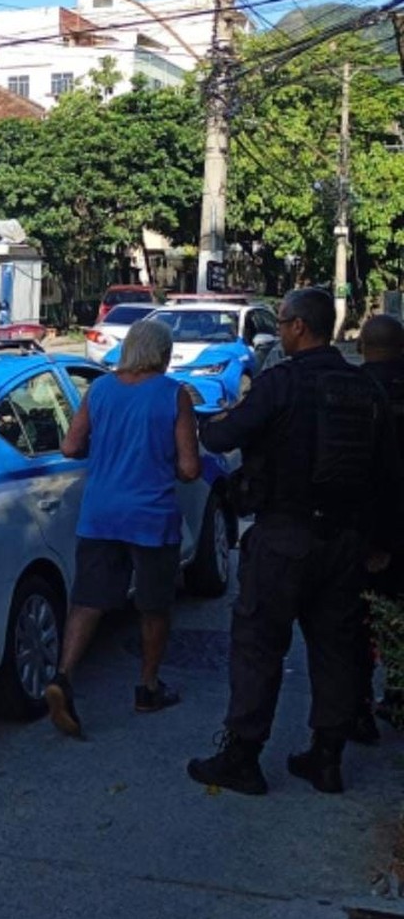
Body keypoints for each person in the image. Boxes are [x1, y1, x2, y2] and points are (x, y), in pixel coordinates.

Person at [187, 288, 397, 796]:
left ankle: (243, 755)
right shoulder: (366, 389)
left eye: (281, 322)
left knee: (258, 644)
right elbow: (389, 475)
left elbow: (219, 439)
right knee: (335, 648)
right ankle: (327, 757)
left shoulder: (281, 384)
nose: (278, 330)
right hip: (346, 541)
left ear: (300, 327)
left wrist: (222, 418)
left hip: (285, 535)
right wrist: (381, 539)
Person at [45, 318, 201, 739]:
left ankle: (63, 677)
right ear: (162, 354)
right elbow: (189, 467)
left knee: (88, 600)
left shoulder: (99, 390)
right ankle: (148, 688)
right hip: (150, 517)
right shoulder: (173, 396)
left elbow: (71, 446)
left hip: (100, 513)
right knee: (154, 606)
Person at [353, 314, 404, 740]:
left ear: (363, 346)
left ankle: (358, 707)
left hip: (362, 529)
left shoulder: (351, 390)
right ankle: (397, 693)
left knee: (356, 621)